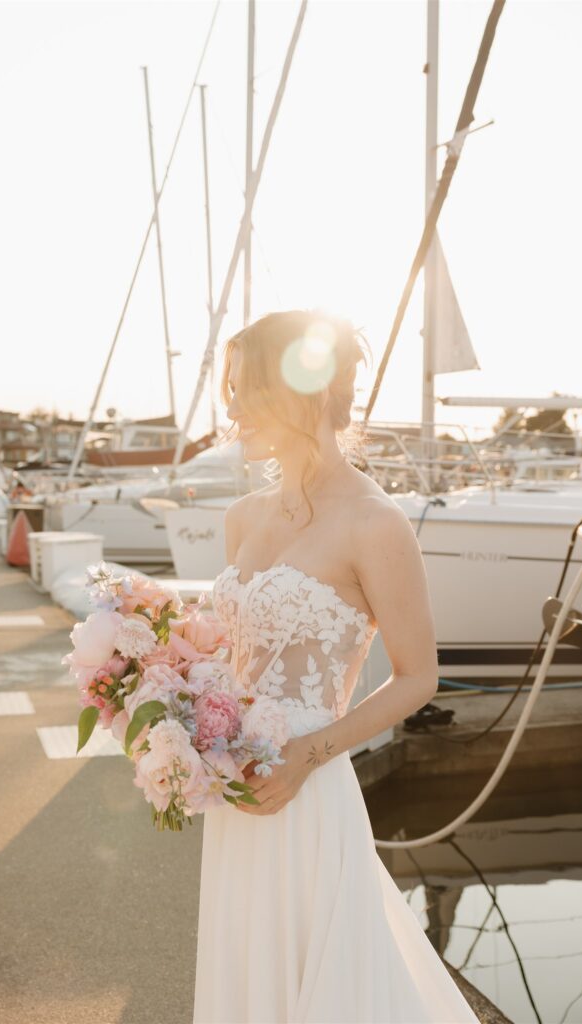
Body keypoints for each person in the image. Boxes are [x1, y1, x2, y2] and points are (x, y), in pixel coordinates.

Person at [193, 309, 479, 1024]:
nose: (231, 408)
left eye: (246, 388)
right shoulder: (242, 517)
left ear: (306, 391)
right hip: (238, 790)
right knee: (249, 971)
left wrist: (304, 755)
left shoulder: (372, 523)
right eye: (228, 389)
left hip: (308, 788)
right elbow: (233, 657)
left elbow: (417, 675)